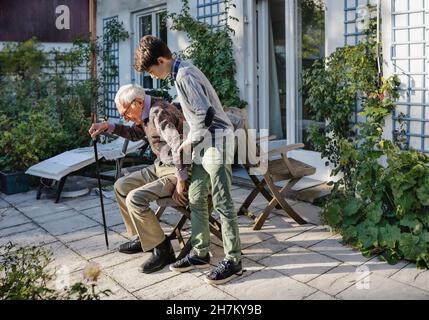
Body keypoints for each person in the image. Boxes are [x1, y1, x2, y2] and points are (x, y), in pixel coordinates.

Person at [134, 35, 242, 285]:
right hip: (204, 142)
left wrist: (187, 142)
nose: (152, 76)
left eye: (152, 70)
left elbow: (206, 116)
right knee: (195, 196)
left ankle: (234, 260)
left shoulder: (185, 75)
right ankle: (200, 253)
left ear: (161, 60)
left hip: (217, 141)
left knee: (223, 200)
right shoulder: (180, 72)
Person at [88, 84, 188, 274]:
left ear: (138, 102)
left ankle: (163, 249)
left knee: (135, 198)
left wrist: (181, 180)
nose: (125, 117)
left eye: (125, 113)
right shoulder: (146, 112)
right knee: (120, 186)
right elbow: (135, 133)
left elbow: (179, 145)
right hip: (161, 166)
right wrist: (108, 126)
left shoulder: (158, 113)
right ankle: (143, 237)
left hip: (176, 170)